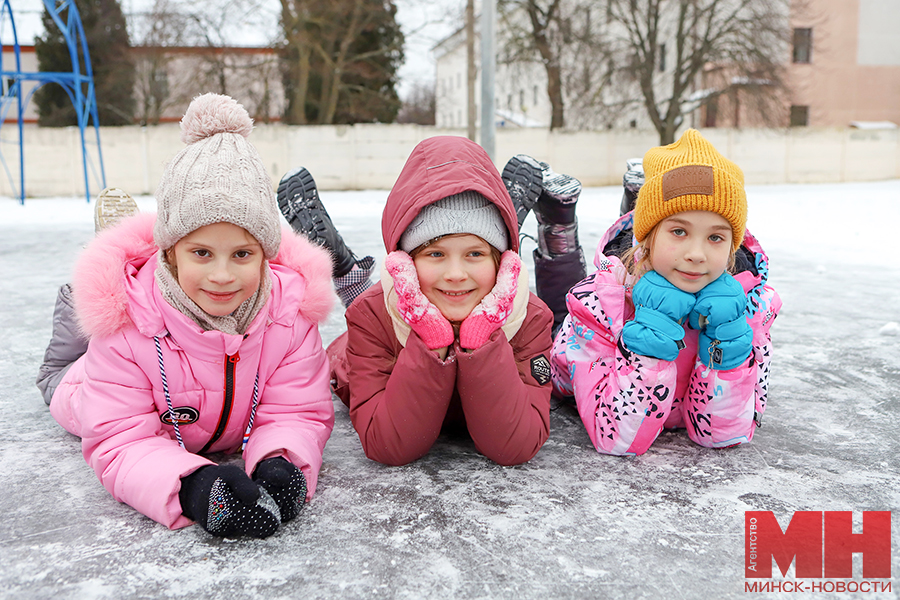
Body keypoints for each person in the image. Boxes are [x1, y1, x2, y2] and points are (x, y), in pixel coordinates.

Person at [37, 94, 336, 538]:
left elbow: (297, 411)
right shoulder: (125, 329)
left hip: (201, 408)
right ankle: (100, 276)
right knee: (63, 378)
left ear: (265, 257)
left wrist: (283, 464)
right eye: (201, 252)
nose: (221, 275)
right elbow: (120, 439)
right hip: (90, 383)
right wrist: (194, 487)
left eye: (241, 254)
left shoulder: (288, 318)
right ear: (171, 254)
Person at [278, 136, 565, 467]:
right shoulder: (370, 316)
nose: (455, 273)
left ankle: (352, 271)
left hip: (470, 314)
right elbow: (387, 445)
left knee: (420, 290)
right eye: (435, 253)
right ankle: (344, 269)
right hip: (383, 339)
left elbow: (515, 445)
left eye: (475, 253)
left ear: (501, 262)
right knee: (349, 344)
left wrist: (481, 336)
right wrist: (430, 340)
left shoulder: (529, 317)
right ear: (406, 262)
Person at [549, 129, 781, 456]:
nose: (696, 253)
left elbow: (724, 435)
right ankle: (558, 229)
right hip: (568, 369)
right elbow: (616, 439)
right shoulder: (601, 303)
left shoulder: (753, 308)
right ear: (649, 237)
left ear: (732, 247)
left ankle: (641, 204)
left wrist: (725, 348)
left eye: (715, 237)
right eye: (678, 231)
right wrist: (649, 339)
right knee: (554, 312)